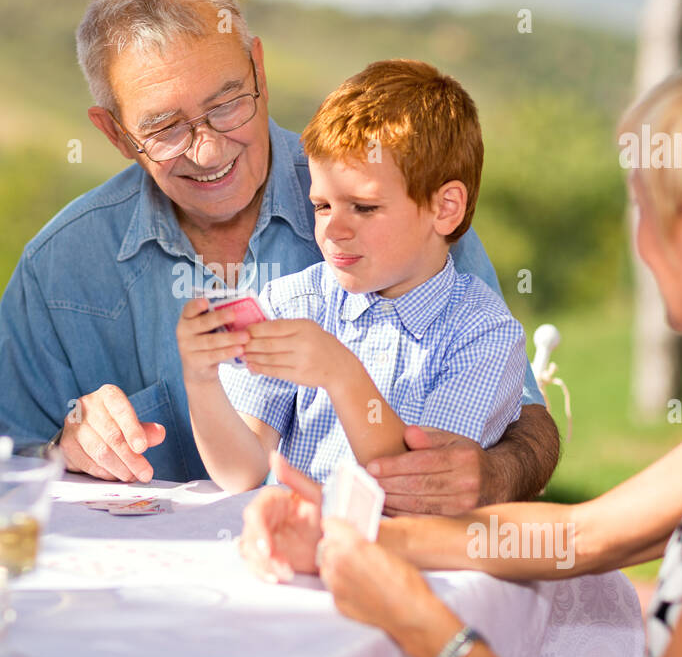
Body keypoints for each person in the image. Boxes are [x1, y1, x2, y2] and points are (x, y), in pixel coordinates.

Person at [239, 48, 682, 657]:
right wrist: (355, 534)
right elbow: (585, 537)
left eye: (642, 212)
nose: (641, 249)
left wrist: (430, 630)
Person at [0, 0, 559, 508]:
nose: (207, 150)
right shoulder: (60, 266)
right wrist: (63, 447)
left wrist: (494, 473)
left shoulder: (399, 195)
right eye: (165, 127)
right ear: (115, 133)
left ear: (259, 68)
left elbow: (526, 418)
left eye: (227, 103)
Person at [178, 60, 525, 493]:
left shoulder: (483, 334)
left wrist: (342, 375)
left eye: (363, 207)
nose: (333, 230)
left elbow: (421, 488)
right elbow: (240, 472)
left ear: (445, 208)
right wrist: (201, 378)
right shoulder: (294, 303)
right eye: (322, 206)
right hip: (296, 546)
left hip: (412, 556)